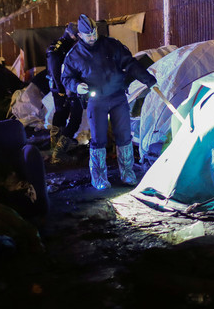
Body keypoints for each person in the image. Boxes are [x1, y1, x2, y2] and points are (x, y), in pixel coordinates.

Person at [61, 14, 157, 190]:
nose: (92, 37)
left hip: (118, 96)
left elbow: (130, 63)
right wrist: (76, 86)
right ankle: (98, 178)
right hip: (96, 101)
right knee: (98, 139)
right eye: (88, 34)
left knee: (124, 135)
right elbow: (66, 78)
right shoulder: (74, 56)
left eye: (94, 32)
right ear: (80, 35)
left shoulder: (111, 45)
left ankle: (128, 174)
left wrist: (148, 80)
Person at [46, 22, 82, 164]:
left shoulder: (66, 45)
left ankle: (58, 145)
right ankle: (57, 149)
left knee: (63, 113)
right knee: (64, 113)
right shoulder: (59, 47)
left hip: (65, 86)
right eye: (77, 35)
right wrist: (61, 89)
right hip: (62, 86)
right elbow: (55, 69)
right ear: (72, 34)